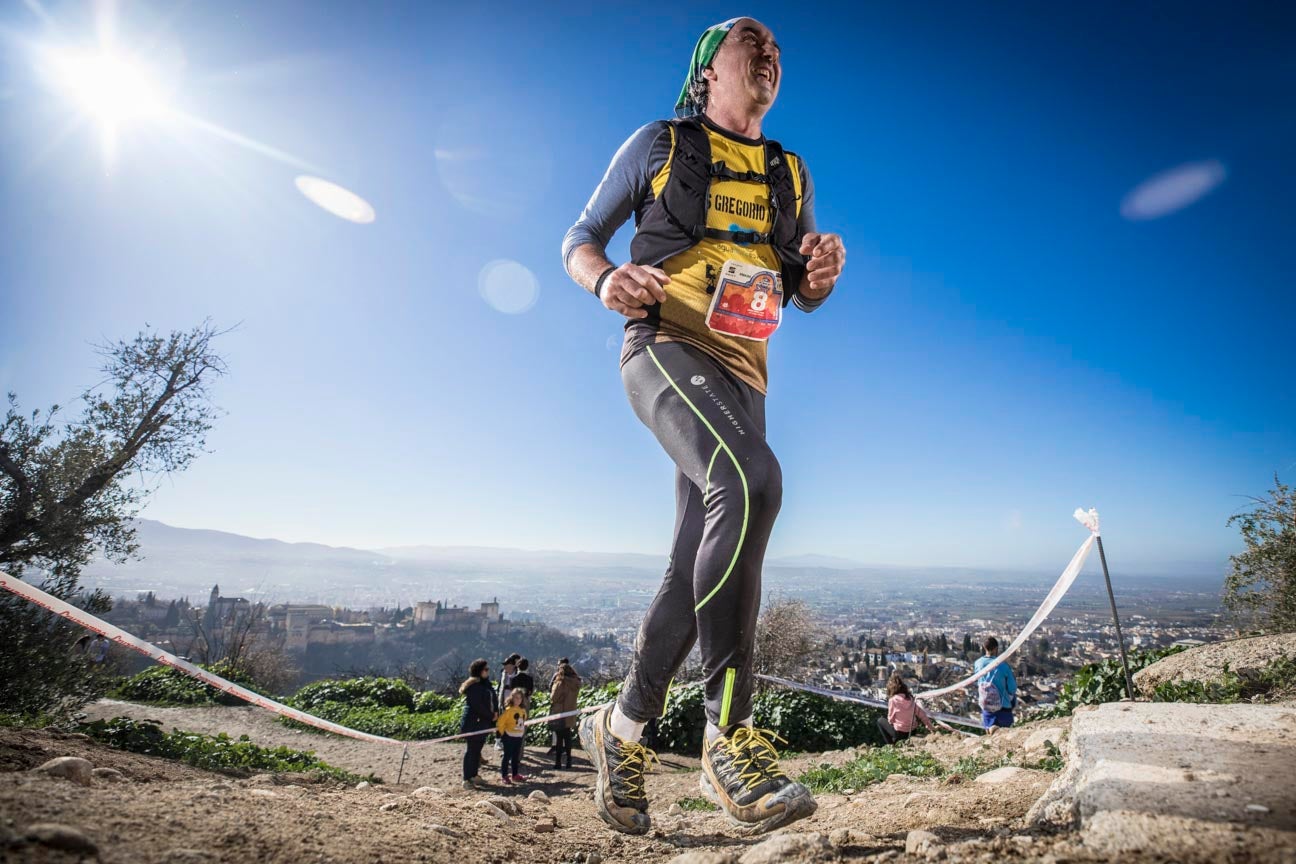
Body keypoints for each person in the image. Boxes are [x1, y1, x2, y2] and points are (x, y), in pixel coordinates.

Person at [563, 17, 845, 836]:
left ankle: (619, 733)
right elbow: (579, 240)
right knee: (753, 481)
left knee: (692, 566)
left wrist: (820, 274)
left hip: (743, 374)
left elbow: (802, 287)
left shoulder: (790, 171)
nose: (770, 52)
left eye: (779, 50)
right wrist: (607, 280)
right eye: (750, 40)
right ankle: (731, 738)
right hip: (663, 346)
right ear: (706, 69)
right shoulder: (659, 143)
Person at [459, 658, 497, 789]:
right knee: (471, 750)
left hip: (484, 723)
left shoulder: (486, 684)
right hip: (474, 723)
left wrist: (495, 713)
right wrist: (491, 715)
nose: (488, 672)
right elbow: (477, 706)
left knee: (477, 750)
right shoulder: (474, 686)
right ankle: (466, 779)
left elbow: (492, 699)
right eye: (486, 669)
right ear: (479, 671)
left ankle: (474, 775)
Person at [974, 637, 1018, 731]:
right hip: (1003, 707)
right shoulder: (1003, 665)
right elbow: (1012, 688)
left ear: (984, 647)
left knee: (990, 733)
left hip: (986, 706)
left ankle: (990, 728)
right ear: (996, 648)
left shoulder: (977, 664)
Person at [876, 674, 934, 745]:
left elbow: (890, 719)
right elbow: (922, 714)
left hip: (900, 733)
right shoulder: (910, 699)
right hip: (912, 732)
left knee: (880, 720)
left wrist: (895, 724)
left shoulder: (893, 700)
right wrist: (930, 727)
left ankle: (890, 744)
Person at [549, 658, 582, 769]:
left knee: (559, 738)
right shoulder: (576, 683)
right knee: (567, 737)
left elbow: (553, 698)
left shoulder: (560, 682)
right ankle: (569, 761)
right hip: (570, 712)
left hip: (560, 712)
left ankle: (558, 762)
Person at [496, 689, 528, 785]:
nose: (518, 700)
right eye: (516, 698)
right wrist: (502, 734)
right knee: (507, 756)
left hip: (518, 737)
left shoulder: (523, 711)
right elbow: (500, 723)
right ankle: (504, 775)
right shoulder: (508, 711)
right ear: (512, 698)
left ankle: (515, 774)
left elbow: (523, 722)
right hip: (509, 736)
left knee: (515, 756)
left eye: (520, 698)